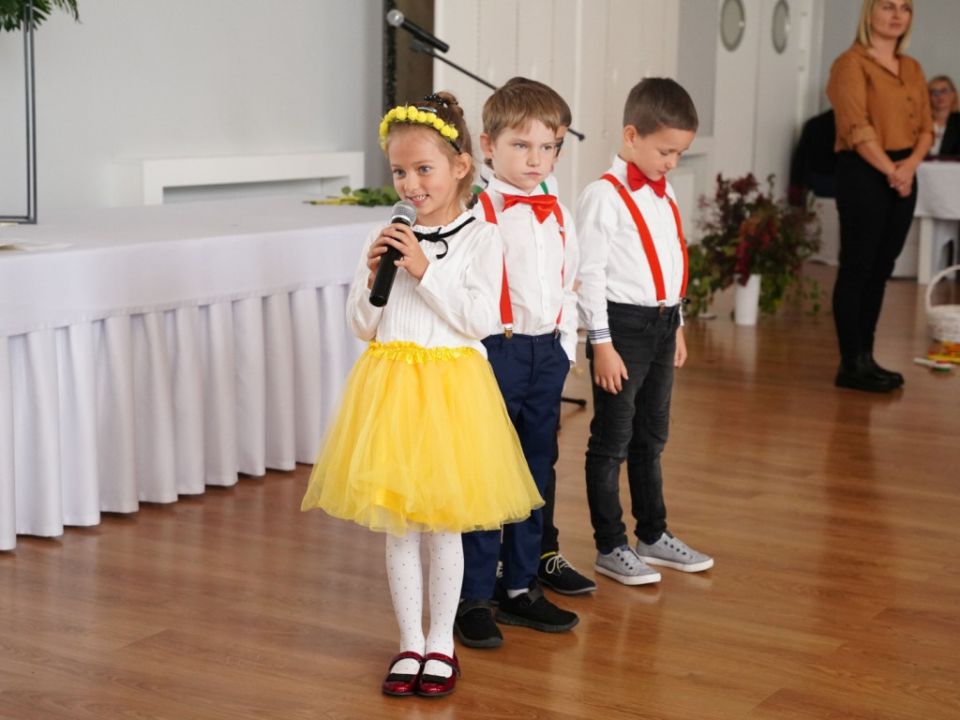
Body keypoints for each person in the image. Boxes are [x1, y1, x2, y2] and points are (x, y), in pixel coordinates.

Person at [301, 92, 542, 698]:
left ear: (460, 166)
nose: (410, 185)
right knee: (401, 528)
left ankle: (442, 643)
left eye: (423, 169)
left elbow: (480, 319)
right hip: (390, 393)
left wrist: (424, 271)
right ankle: (410, 641)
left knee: (443, 527)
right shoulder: (384, 234)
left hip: (451, 394)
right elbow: (361, 324)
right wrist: (376, 277)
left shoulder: (481, 237)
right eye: (400, 172)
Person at [454, 78, 584, 652]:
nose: (536, 159)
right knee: (487, 473)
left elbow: (568, 285)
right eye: (521, 145)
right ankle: (473, 596)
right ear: (488, 146)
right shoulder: (475, 214)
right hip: (495, 353)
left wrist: (565, 348)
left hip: (545, 353)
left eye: (548, 147)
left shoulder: (559, 214)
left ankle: (520, 586)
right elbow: (464, 293)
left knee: (535, 472)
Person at [576, 77, 713, 587]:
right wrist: (601, 343)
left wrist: (677, 323)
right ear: (631, 136)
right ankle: (610, 544)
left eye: (679, 154)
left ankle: (652, 534)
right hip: (622, 329)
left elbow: (671, 260)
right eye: (665, 151)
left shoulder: (664, 190)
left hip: (661, 324)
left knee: (652, 436)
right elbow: (590, 275)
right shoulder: (602, 196)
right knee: (612, 439)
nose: (672, 163)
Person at [826, 0, 933, 393]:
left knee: (881, 269)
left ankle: (867, 358)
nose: (897, 14)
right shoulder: (849, 64)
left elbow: (926, 129)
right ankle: (850, 363)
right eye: (888, 6)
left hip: (904, 173)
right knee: (857, 267)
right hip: (864, 172)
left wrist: (909, 168)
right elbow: (856, 127)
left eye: (905, 8)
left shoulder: (912, 67)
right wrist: (892, 171)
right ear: (869, 13)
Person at [928, 75, 960, 157]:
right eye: (934, 92)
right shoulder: (921, 123)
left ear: (953, 94)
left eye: (944, 91)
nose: (940, 96)